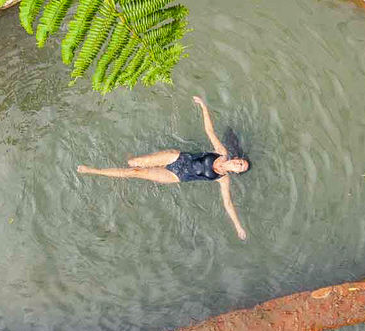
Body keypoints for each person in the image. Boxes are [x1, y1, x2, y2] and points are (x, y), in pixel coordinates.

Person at [77, 95, 250, 240]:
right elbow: (210, 132)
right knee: (133, 162)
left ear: (235, 172)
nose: (238, 165)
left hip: (174, 176)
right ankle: (128, 157)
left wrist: (238, 227)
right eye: (241, 162)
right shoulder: (221, 151)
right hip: (177, 157)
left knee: (134, 172)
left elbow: (228, 203)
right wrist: (204, 107)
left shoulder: (222, 178)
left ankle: (93, 170)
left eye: (240, 168)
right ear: (237, 159)